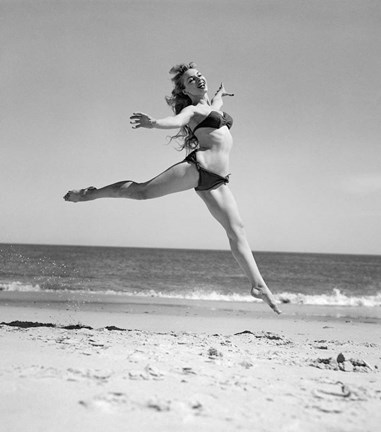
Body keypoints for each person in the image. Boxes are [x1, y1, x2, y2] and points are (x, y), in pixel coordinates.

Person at [64, 62, 281, 314]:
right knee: (142, 191)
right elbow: (176, 120)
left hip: (218, 181)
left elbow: (217, 106)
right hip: (197, 169)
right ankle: (90, 193)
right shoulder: (191, 110)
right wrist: (154, 123)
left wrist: (221, 94)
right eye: (191, 80)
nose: (198, 80)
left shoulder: (211, 107)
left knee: (237, 231)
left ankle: (258, 286)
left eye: (199, 75)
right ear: (185, 91)